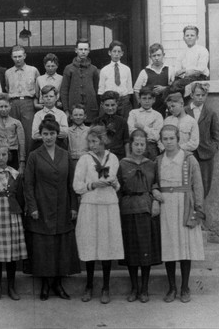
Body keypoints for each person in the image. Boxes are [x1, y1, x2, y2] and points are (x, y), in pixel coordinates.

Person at [24, 116, 80, 301]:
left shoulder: (65, 154)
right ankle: (45, 285)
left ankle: (58, 284)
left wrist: (73, 206)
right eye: (45, 134)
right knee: (44, 248)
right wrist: (32, 206)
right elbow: (28, 184)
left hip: (62, 206)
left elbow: (71, 183)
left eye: (52, 133)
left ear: (58, 134)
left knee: (60, 247)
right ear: (40, 135)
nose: (48, 137)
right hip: (41, 206)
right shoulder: (34, 156)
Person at [73, 125, 123, 304]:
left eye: (95, 141)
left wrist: (114, 183)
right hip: (90, 205)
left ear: (103, 141)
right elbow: (77, 186)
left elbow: (117, 186)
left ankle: (106, 287)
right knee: (91, 245)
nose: (92, 145)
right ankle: (89, 286)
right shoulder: (84, 159)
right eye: (90, 141)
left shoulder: (114, 158)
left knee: (106, 246)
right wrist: (93, 185)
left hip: (108, 205)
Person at [157, 124, 205, 303]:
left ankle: (185, 287)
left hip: (185, 204)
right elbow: (155, 183)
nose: (169, 142)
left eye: (172, 138)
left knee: (185, 247)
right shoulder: (159, 160)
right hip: (166, 205)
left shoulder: (189, 159)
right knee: (170, 246)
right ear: (161, 141)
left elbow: (198, 185)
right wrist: (155, 192)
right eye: (165, 139)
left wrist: (198, 208)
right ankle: (172, 287)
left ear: (178, 139)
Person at [117, 129, 163, 303]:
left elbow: (155, 184)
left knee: (145, 251)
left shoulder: (151, 164)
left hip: (146, 208)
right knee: (131, 252)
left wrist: (156, 200)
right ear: (131, 145)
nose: (138, 147)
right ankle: (134, 287)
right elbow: (118, 188)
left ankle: (144, 289)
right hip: (128, 209)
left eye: (142, 144)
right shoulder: (123, 164)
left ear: (146, 145)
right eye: (136, 144)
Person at [0, 143, 28, 301]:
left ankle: (11, 286)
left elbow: (21, 197)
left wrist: (18, 212)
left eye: (3, 155)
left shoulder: (15, 174)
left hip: (11, 214)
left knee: (11, 254)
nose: (0, 158)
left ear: (8, 156)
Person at [185, 82, 219, 198]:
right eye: (197, 95)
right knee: (187, 182)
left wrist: (213, 148)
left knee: (204, 185)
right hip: (188, 153)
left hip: (205, 155)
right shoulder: (184, 111)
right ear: (191, 95)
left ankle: (199, 212)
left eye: (203, 95)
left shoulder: (210, 113)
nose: (200, 98)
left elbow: (216, 135)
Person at [5, 45, 40, 155]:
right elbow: (7, 87)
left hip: (28, 103)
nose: (18, 59)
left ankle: (28, 159)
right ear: (11, 57)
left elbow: (38, 88)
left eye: (20, 56)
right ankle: (17, 160)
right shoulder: (8, 72)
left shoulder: (33, 70)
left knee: (28, 133)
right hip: (13, 102)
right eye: (15, 57)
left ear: (24, 56)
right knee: (13, 131)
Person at [60, 39, 100, 123]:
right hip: (74, 110)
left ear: (89, 51)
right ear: (76, 50)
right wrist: (66, 110)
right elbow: (64, 91)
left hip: (90, 110)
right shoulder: (69, 68)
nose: (83, 52)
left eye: (85, 49)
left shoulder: (94, 69)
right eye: (81, 49)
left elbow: (97, 90)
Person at [133, 43, 175, 118]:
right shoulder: (144, 72)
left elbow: (174, 87)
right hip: (150, 109)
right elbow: (136, 90)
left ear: (163, 55)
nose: (156, 58)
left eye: (159, 55)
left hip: (165, 107)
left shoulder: (170, 70)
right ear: (150, 57)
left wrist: (164, 89)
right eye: (154, 56)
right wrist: (141, 103)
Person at [98, 40, 134, 121]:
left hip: (123, 100)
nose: (116, 54)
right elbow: (101, 91)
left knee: (124, 122)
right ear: (109, 53)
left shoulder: (126, 69)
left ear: (122, 53)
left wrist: (126, 100)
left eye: (119, 51)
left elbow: (129, 90)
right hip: (109, 101)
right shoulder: (104, 70)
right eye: (114, 51)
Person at [170, 26, 210, 96]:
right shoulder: (181, 53)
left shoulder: (202, 50)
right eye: (187, 35)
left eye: (192, 35)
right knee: (169, 89)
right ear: (183, 38)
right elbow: (177, 71)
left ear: (197, 37)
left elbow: (200, 69)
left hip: (200, 78)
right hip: (184, 79)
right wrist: (186, 72)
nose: (189, 37)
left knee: (176, 86)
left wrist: (184, 71)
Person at [127, 87, 164, 161]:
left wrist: (142, 127)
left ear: (154, 100)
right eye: (144, 98)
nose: (147, 101)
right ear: (139, 99)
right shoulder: (133, 113)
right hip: (136, 144)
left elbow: (156, 136)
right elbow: (131, 132)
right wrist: (150, 129)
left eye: (149, 98)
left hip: (151, 146)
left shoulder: (157, 115)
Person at [92, 91, 130, 161]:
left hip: (119, 156)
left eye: (112, 105)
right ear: (102, 105)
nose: (110, 108)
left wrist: (127, 158)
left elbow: (126, 141)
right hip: (101, 156)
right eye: (107, 105)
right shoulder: (97, 121)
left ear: (117, 104)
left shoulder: (122, 121)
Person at [31, 85, 69, 150]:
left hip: (58, 145)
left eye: (51, 96)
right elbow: (34, 135)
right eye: (46, 96)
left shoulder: (61, 114)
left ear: (56, 98)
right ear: (42, 98)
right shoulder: (38, 115)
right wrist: (55, 131)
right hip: (41, 145)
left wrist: (44, 131)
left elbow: (65, 133)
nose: (48, 98)